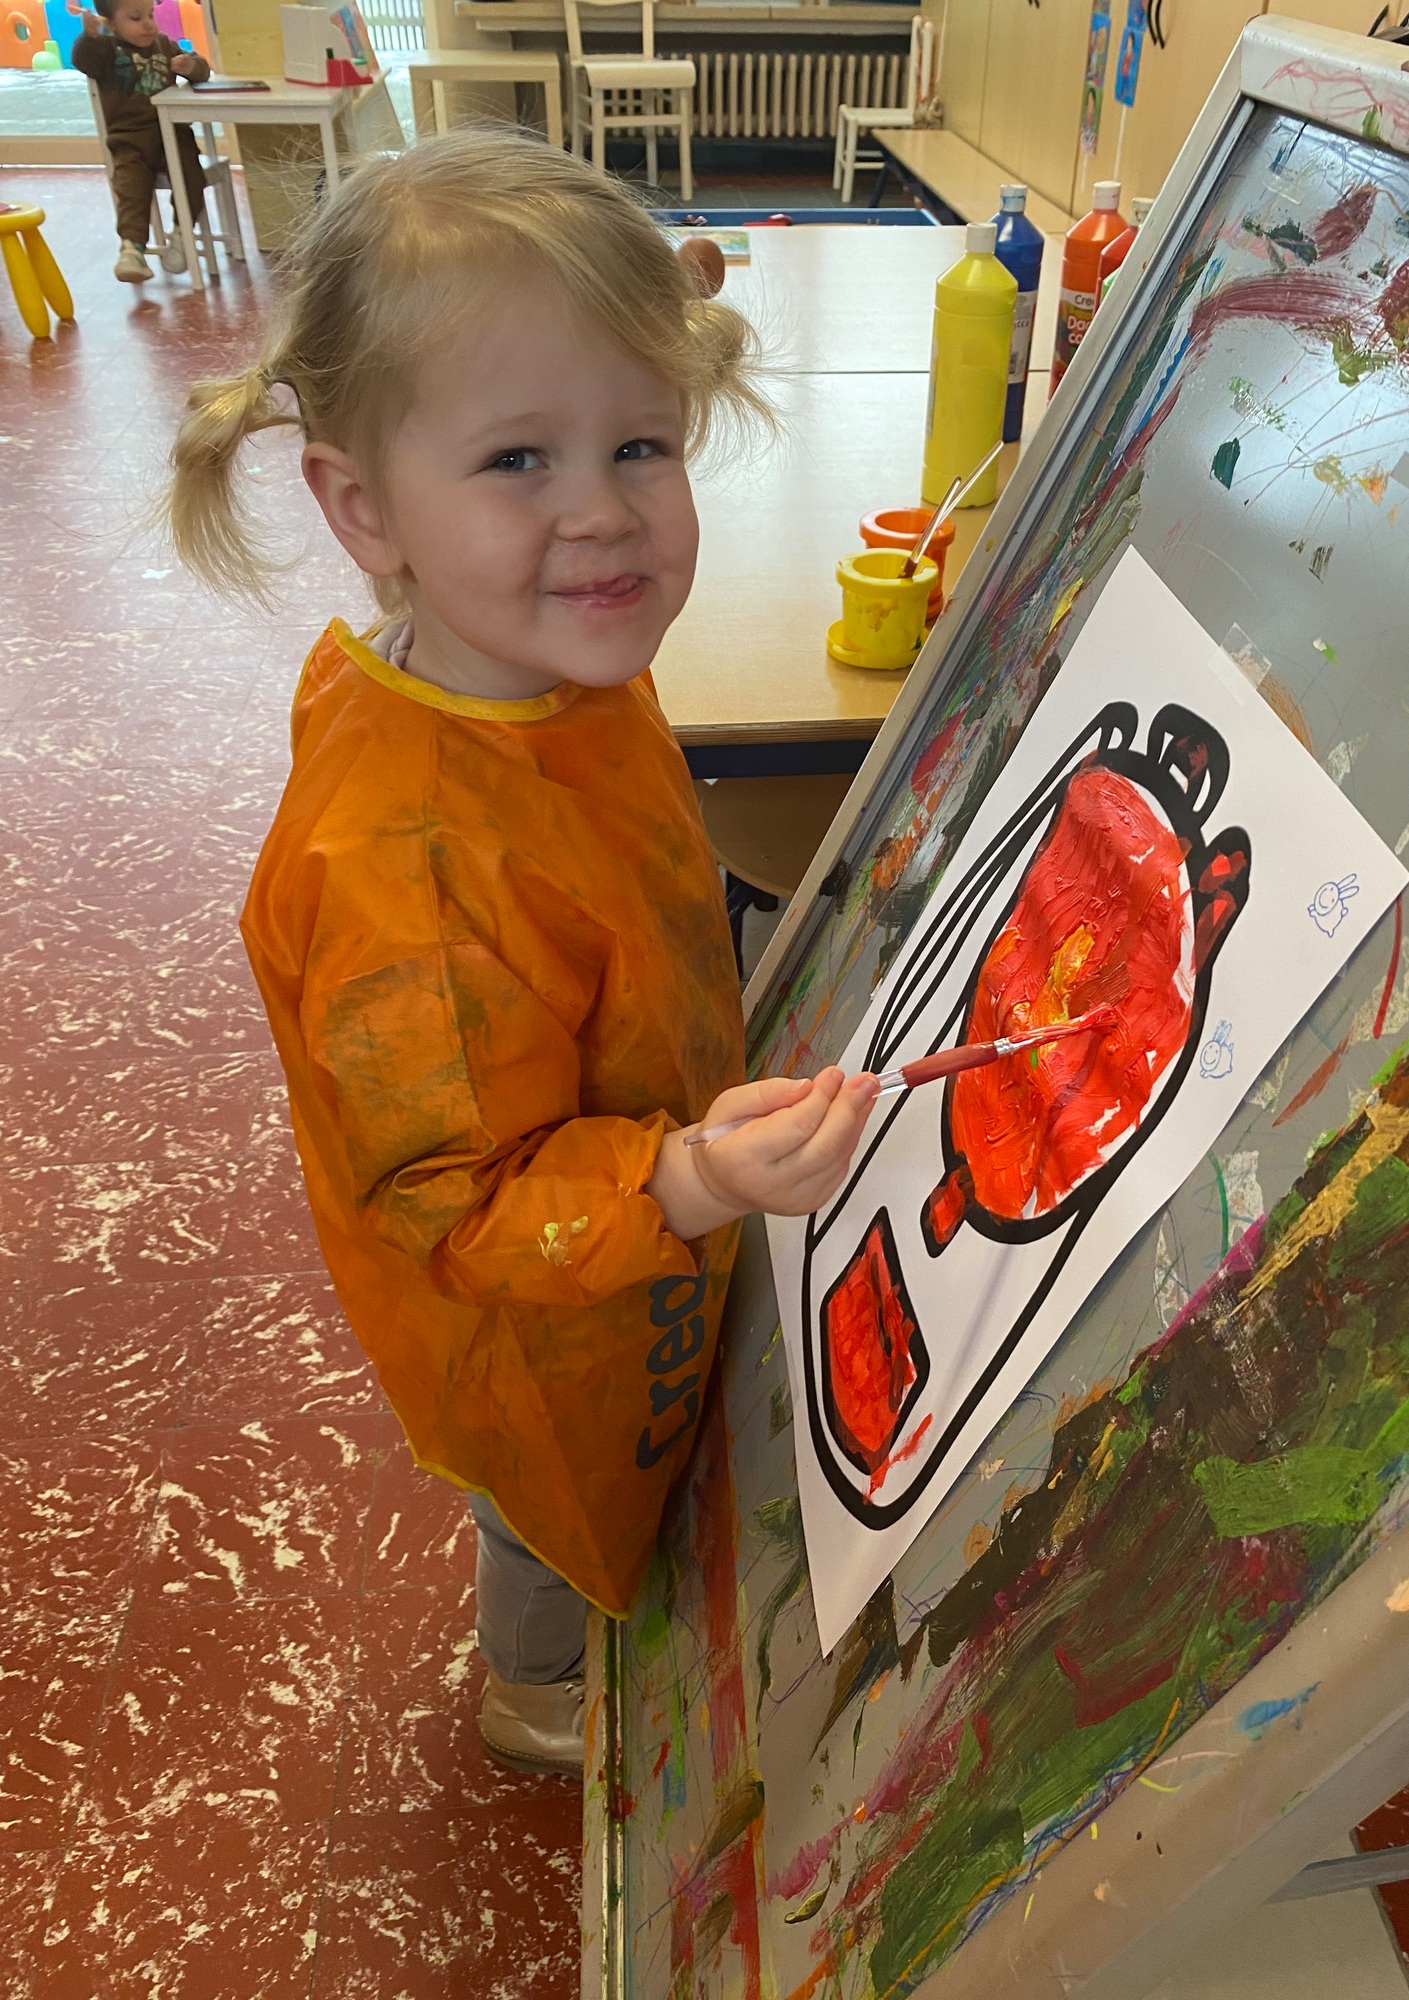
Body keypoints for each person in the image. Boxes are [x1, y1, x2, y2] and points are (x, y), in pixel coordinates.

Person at [165, 132, 879, 1775]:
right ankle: (531, 1683)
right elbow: (461, 1210)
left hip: (640, 1186)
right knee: (550, 1515)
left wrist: (747, 938)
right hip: (536, 1316)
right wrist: (690, 1177)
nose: (605, 515)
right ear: (364, 508)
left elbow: (621, 861)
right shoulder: (405, 880)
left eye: (640, 443)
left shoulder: (539, 654)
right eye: (516, 460)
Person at [73, 0, 209, 284]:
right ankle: (132, 249)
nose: (148, 24)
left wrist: (190, 66)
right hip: (130, 137)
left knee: (191, 173)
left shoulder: (164, 45)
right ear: (111, 23)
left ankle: (182, 234)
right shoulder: (107, 50)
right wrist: (90, 37)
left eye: (150, 15)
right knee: (131, 185)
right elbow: (84, 61)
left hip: (172, 133)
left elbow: (202, 70)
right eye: (136, 18)